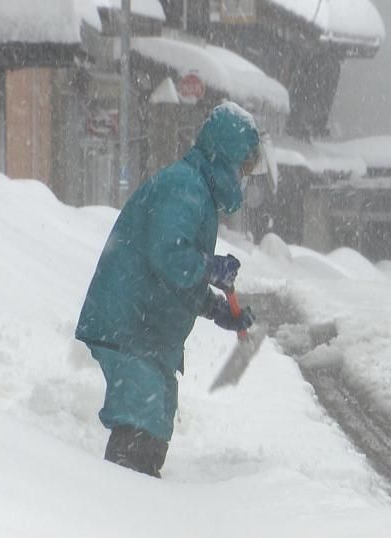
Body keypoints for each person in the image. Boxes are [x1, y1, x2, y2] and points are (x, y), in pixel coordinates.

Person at [75, 102, 260, 478]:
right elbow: (169, 255)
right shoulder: (184, 186)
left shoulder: (199, 194)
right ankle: (116, 510)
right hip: (129, 325)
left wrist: (214, 308)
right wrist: (211, 267)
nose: (243, 179)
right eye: (243, 169)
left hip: (148, 333)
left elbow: (178, 278)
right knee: (139, 427)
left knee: (155, 421)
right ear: (226, 156)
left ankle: (140, 510)